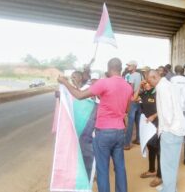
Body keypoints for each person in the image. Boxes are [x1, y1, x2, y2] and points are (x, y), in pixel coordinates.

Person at [58, 58, 133, 192]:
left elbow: (80, 95)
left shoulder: (104, 83)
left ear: (109, 69)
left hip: (104, 132)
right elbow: (127, 110)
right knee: (120, 167)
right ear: (121, 69)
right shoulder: (128, 86)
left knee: (102, 168)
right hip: (120, 131)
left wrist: (64, 82)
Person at [147, 70, 185, 192]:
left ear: (154, 77)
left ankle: (169, 190)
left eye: (150, 81)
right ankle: (170, 187)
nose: (150, 84)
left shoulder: (161, 88)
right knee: (172, 164)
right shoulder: (169, 85)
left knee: (167, 165)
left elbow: (167, 113)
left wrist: (164, 128)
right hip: (177, 129)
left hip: (170, 131)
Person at [133, 80, 162, 187]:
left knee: (159, 150)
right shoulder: (144, 94)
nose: (146, 85)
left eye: (148, 83)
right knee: (151, 147)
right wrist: (139, 87)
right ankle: (151, 170)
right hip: (147, 126)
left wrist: (154, 116)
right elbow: (134, 99)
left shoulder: (157, 93)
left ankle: (159, 176)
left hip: (157, 124)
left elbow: (163, 108)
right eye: (144, 84)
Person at [124, 60, 142, 149]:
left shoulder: (131, 76)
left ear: (134, 66)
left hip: (132, 100)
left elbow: (129, 90)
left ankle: (127, 143)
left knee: (130, 122)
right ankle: (138, 139)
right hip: (139, 99)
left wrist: (127, 100)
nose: (128, 67)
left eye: (129, 65)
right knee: (138, 121)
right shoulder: (139, 75)